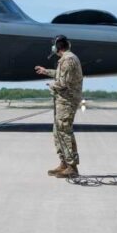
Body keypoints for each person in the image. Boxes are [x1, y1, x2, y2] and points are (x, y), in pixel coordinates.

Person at [35, 35, 84, 178]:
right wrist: (46, 71)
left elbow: (63, 83)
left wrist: (51, 86)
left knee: (64, 131)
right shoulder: (66, 59)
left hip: (67, 101)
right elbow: (61, 75)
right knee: (58, 131)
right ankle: (64, 163)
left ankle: (72, 167)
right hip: (63, 100)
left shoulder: (68, 60)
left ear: (57, 47)